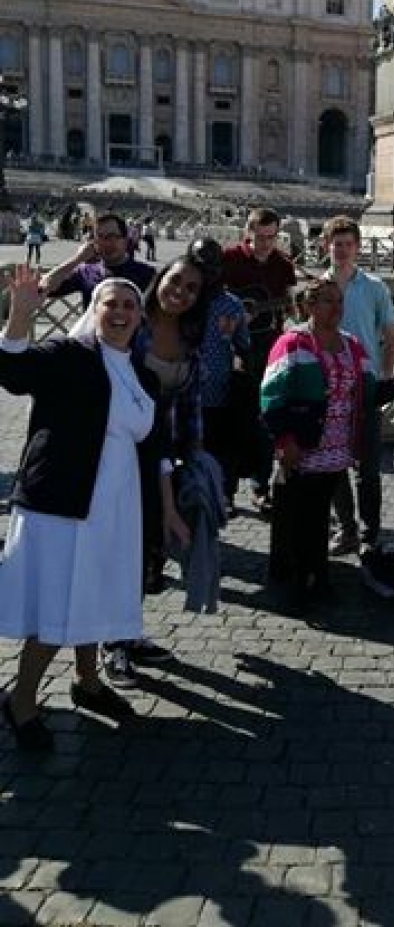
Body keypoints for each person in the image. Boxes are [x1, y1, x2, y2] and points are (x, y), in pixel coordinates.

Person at [0, 271, 165, 750]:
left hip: (115, 505)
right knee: (59, 601)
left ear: (140, 318)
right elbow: (12, 372)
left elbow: (153, 448)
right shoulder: (70, 355)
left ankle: (88, 682)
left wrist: (166, 510)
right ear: (94, 310)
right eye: (109, 304)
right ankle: (22, 700)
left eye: (128, 307)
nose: (119, 314)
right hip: (62, 501)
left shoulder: (142, 374)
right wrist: (20, 315)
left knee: (94, 590)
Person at [259, 277, 394, 606]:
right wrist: (284, 440)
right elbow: (271, 397)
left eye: (339, 301)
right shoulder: (292, 343)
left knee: (319, 517)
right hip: (303, 449)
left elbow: (370, 392)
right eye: (327, 301)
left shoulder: (352, 345)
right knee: (299, 521)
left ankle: (317, 577)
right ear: (308, 306)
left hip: (336, 451)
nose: (336, 308)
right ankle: (296, 583)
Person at [102, 254, 209, 688]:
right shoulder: (129, 322)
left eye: (191, 289)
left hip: (160, 454)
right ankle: (113, 646)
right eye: (175, 281)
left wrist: (197, 457)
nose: (180, 292)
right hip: (118, 449)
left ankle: (128, 630)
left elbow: (191, 404)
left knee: (148, 546)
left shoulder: (191, 336)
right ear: (160, 278)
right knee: (118, 545)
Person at [321, 216, 394, 557]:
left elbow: (391, 334)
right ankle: (346, 528)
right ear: (326, 246)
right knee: (334, 462)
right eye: (336, 244)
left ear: (357, 247)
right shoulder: (316, 287)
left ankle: (370, 531)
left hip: (365, 383)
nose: (341, 250)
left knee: (368, 467)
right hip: (327, 385)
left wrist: (384, 379)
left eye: (347, 244)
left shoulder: (375, 287)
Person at [221, 208, 298, 509]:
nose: (266, 244)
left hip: (269, 348)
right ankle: (225, 492)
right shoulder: (229, 259)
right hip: (230, 348)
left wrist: (296, 308)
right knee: (229, 419)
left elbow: (292, 306)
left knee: (265, 418)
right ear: (248, 232)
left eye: (272, 237)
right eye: (260, 237)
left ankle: (260, 487)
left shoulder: (283, 264)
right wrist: (230, 315)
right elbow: (210, 296)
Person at [188, 238, 251, 514]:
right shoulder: (181, 298)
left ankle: (223, 495)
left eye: (214, 264)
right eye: (202, 264)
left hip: (220, 392)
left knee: (220, 451)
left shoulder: (232, 305)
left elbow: (243, 345)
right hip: (183, 392)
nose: (209, 271)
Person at [41, 212, 156, 308]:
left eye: (112, 236)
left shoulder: (147, 274)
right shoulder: (85, 272)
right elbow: (43, 288)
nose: (106, 243)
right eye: (100, 237)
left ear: (125, 240)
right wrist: (77, 259)